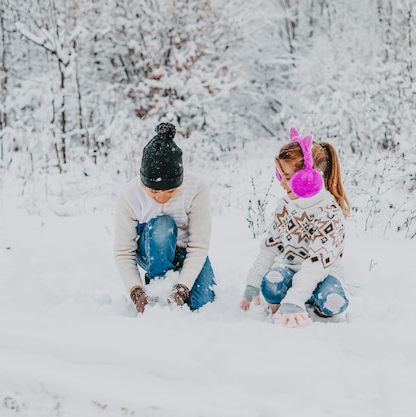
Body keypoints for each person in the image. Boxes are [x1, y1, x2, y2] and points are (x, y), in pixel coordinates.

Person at [239, 127, 351, 327]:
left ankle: (312, 306)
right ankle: (281, 311)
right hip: (289, 270)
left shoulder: (329, 212)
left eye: (288, 177)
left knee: (333, 302)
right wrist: (252, 285)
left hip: (323, 274)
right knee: (271, 282)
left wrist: (295, 299)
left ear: (309, 176)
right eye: (280, 175)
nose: (282, 183)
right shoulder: (284, 206)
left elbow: (317, 263)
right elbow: (270, 248)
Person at [114, 122, 216, 313]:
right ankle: (158, 284)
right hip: (151, 250)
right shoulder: (129, 195)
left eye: (170, 191)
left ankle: (178, 278)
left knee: (203, 304)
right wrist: (135, 290)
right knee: (163, 224)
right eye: (153, 191)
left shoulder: (197, 188)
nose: (161, 198)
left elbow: (199, 244)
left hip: (186, 251)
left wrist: (184, 286)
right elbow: (123, 251)